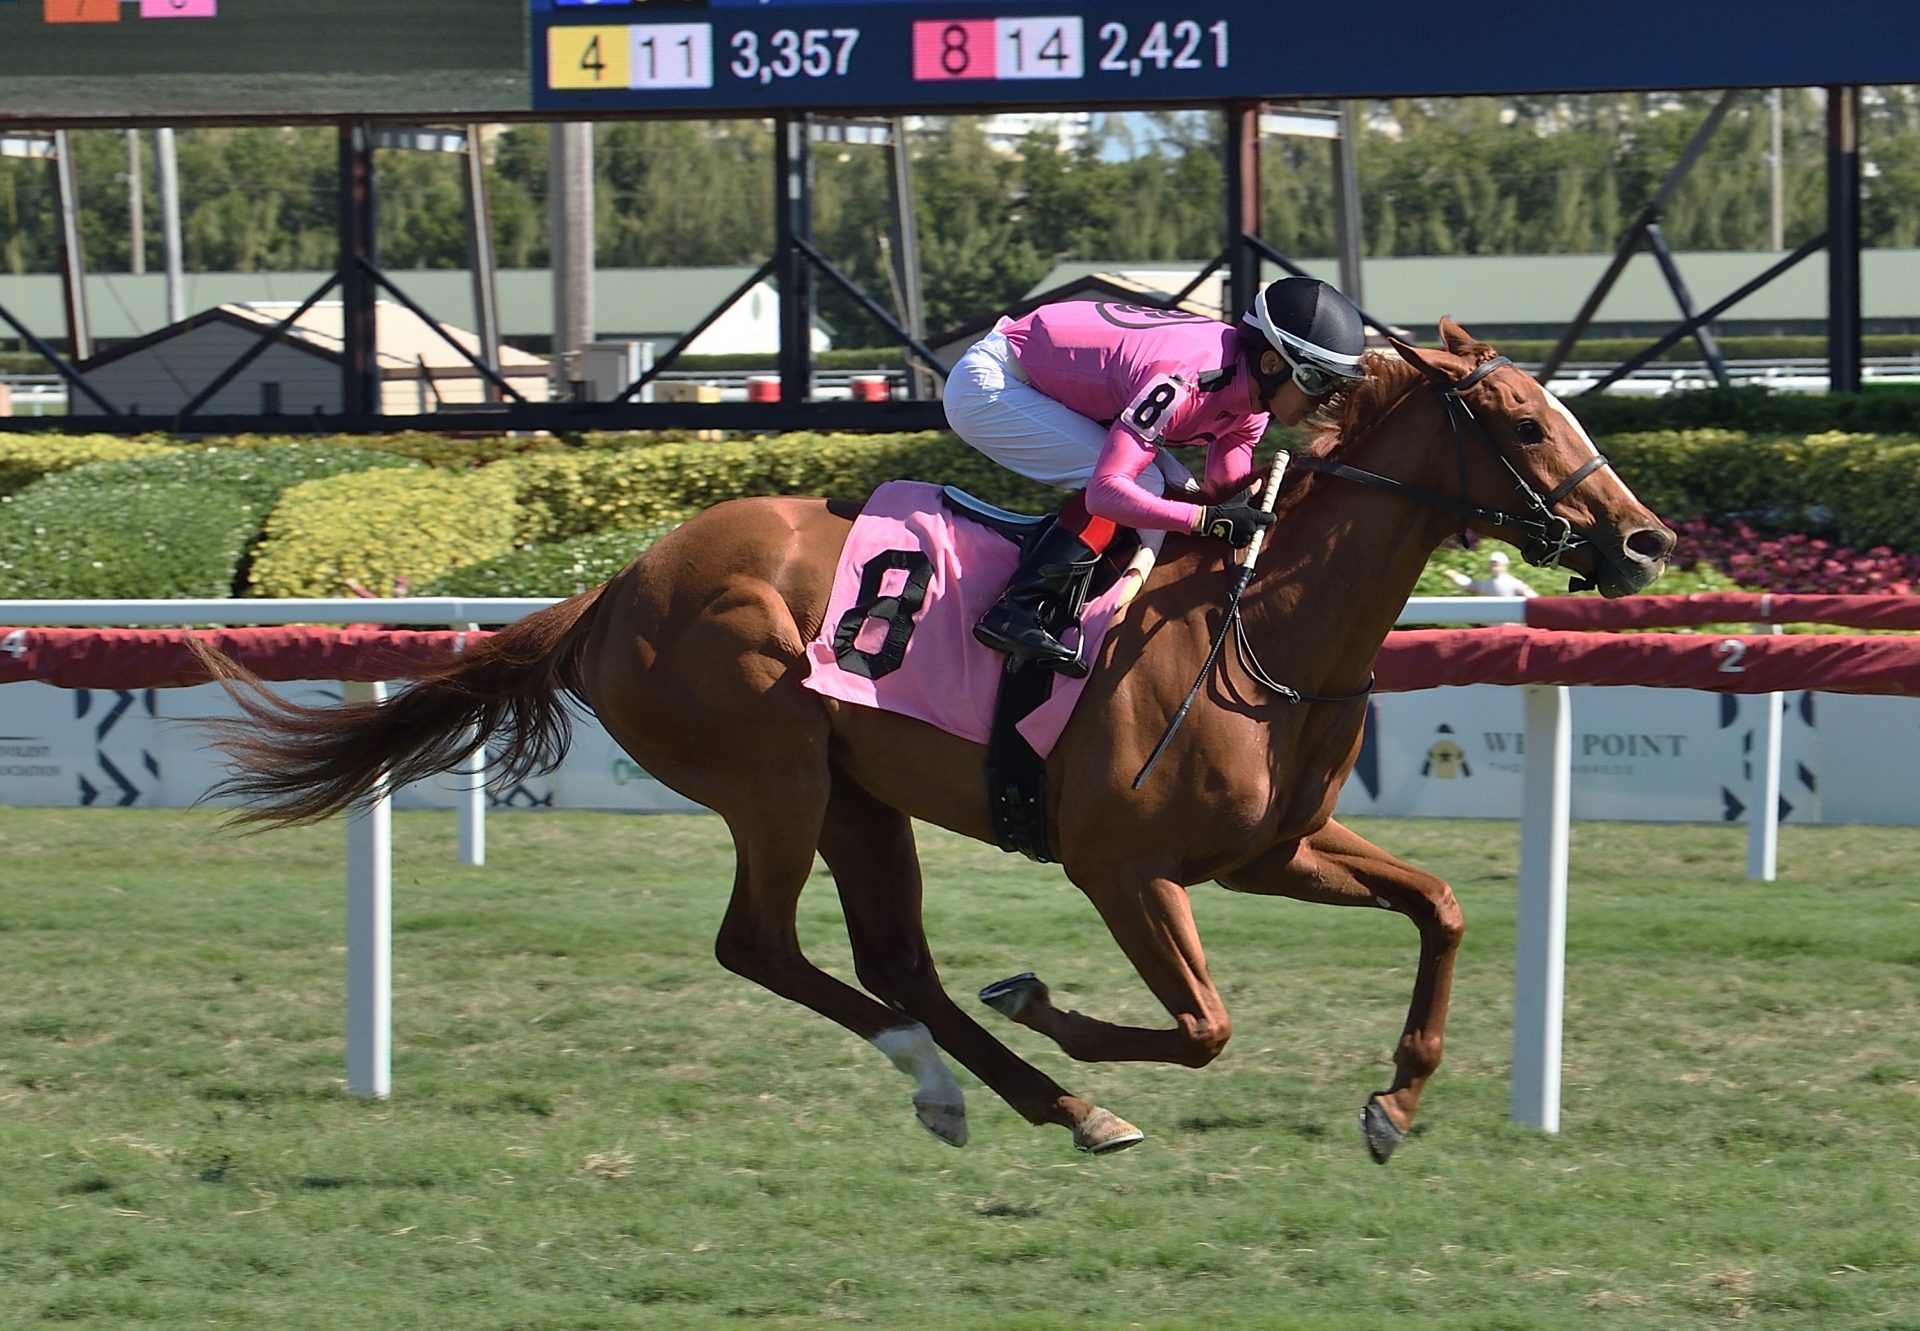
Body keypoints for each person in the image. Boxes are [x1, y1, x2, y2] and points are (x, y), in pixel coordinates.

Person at [943, 276, 1371, 675]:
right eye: (1318, 381)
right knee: (1145, 487)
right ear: (1273, 362)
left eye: (1335, 386)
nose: (1325, 400)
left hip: (1045, 380)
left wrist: (1233, 521)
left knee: (1178, 491)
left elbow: (1220, 497)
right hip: (994, 385)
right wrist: (1205, 521)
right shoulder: (1183, 379)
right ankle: (1018, 609)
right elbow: (1107, 493)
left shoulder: (1250, 403)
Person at [1442, 550, 1538, 598]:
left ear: (1505, 566)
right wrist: (1455, 577)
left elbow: (1533, 597)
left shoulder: (1514, 583)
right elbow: (1471, 585)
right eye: (1492, 565)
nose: (1494, 567)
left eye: (1496, 564)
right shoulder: (1488, 584)